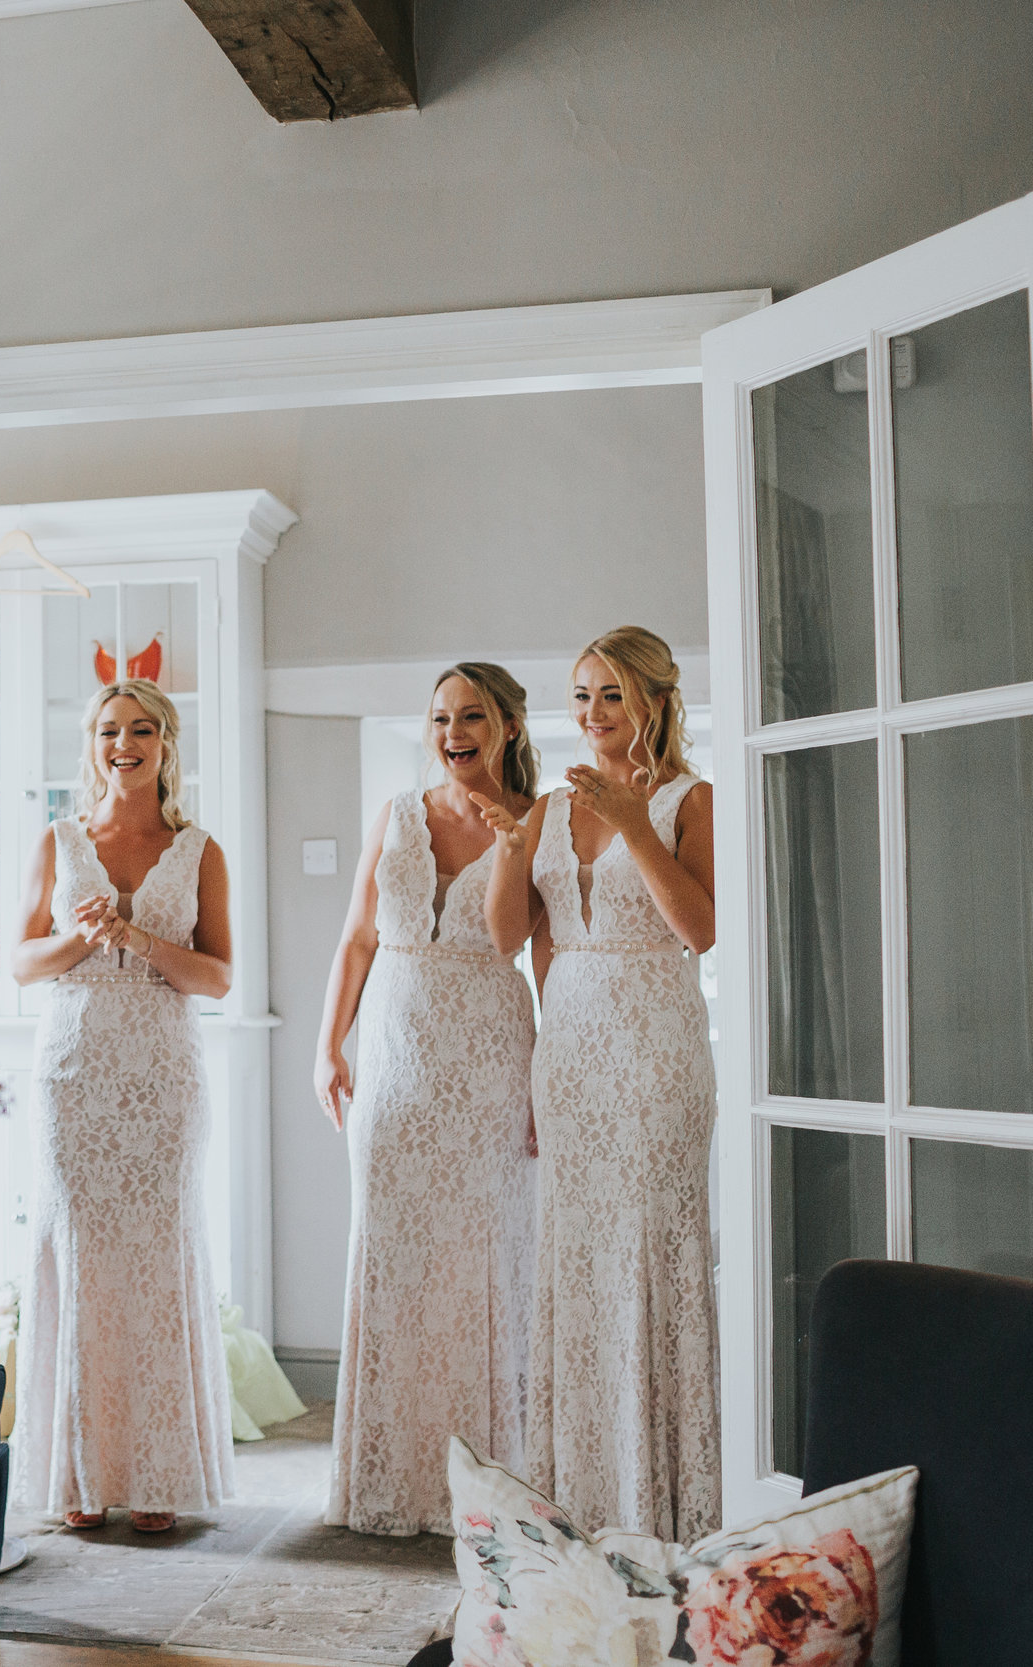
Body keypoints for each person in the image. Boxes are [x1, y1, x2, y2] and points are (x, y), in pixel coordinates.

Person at [479, 624, 720, 1540]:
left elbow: (699, 928)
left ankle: (663, 1490)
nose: (591, 715)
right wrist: (510, 848)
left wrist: (629, 820)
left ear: (655, 700)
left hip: (655, 1042)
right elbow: (513, 939)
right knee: (576, 1257)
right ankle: (582, 1486)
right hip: (572, 1049)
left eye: (610, 695)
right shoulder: (546, 805)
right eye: (581, 696)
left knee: (646, 1246)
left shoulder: (694, 798)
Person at [315, 663, 542, 1535]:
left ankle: (482, 1485)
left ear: (509, 726)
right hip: (396, 1058)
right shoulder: (397, 815)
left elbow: (516, 941)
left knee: (483, 1259)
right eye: (441, 716)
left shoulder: (538, 822)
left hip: (489, 1055)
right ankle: (390, 1477)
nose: (454, 730)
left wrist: (514, 844)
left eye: (473, 715)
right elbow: (359, 936)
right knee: (394, 1255)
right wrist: (325, 1045)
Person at [10, 679, 236, 1534]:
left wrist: (138, 937)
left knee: (155, 1255)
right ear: (93, 741)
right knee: (77, 1253)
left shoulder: (199, 848)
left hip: (162, 1073)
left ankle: (157, 1471)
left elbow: (217, 975)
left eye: (143, 729)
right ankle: (76, 1470)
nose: (125, 743)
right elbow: (24, 963)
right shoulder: (60, 840)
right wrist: (84, 936)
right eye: (111, 729)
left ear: (166, 743)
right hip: (72, 1071)